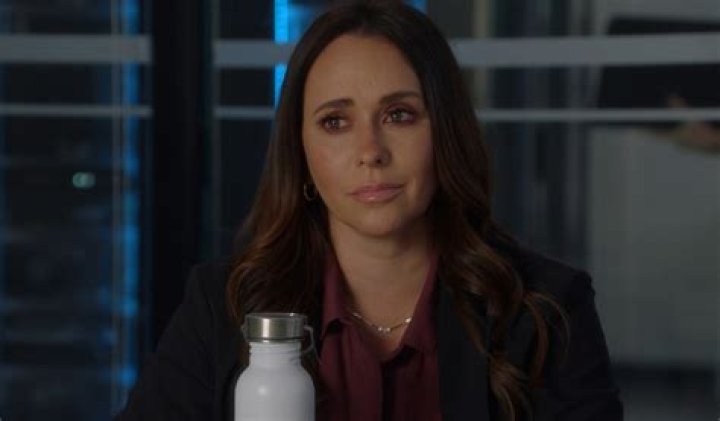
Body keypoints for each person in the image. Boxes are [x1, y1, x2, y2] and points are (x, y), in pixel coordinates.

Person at [116, 1, 622, 420]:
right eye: (335, 122)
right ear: (301, 153)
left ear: (445, 134)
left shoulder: (546, 308)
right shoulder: (223, 307)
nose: (370, 151)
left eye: (399, 115)